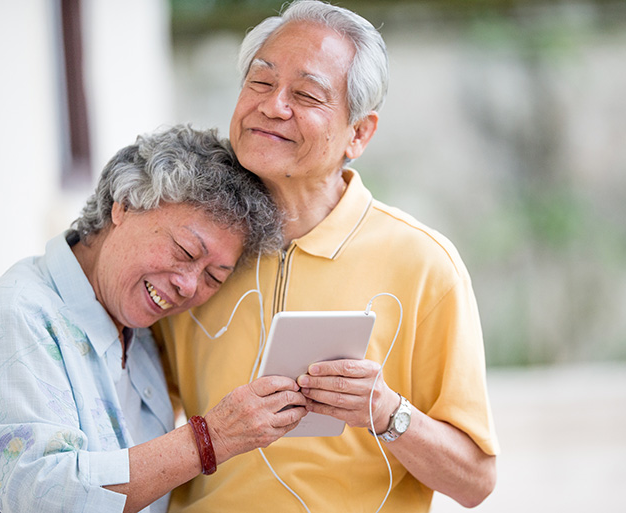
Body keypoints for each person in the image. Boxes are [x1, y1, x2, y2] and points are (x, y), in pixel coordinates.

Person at [158, 1, 500, 511]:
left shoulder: (423, 264)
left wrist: (387, 412)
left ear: (358, 134)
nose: (273, 106)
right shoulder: (191, 247)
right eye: (260, 82)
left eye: (306, 95)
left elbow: (475, 480)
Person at [0, 125, 308, 513]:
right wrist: (212, 438)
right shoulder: (17, 313)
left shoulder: (138, 327)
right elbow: (42, 494)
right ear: (125, 204)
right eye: (184, 250)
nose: (188, 286)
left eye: (213, 277)